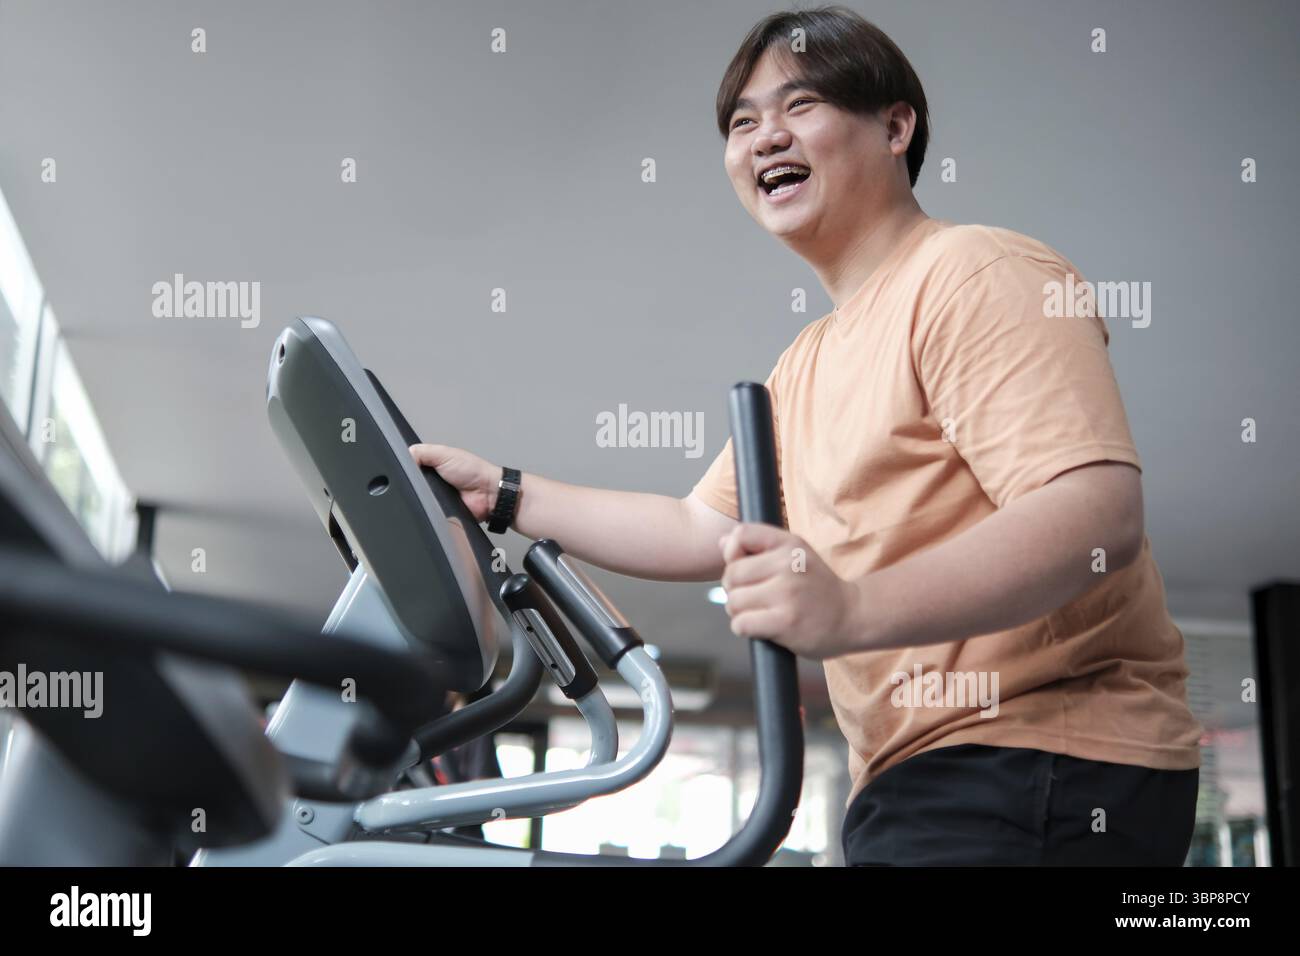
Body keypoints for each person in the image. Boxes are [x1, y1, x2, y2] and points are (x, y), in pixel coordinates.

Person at [411, 6, 1201, 866]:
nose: (764, 138)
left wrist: (852, 610)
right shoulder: (806, 362)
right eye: (742, 122)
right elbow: (699, 530)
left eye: (799, 107)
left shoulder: (974, 273)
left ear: (896, 125)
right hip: (914, 774)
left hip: (1043, 756)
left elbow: (1094, 516)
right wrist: (507, 492)